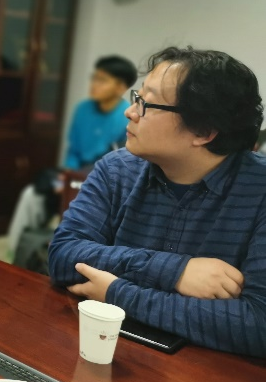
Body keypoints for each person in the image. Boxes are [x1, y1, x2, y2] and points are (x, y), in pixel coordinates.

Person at [49, 46, 266, 357]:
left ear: (203, 131)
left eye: (146, 103)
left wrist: (116, 293)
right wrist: (174, 271)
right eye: (137, 97)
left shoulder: (259, 190)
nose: (130, 112)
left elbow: (258, 324)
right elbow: (62, 255)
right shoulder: (117, 169)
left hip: (207, 377)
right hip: (105, 350)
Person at [7, 55, 138, 263]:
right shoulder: (83, 109)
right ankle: (19, 253)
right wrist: (66, 176)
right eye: (94, 78)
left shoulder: (126, 117)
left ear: (120, 87)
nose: (94, 84)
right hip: (73, 174)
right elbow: (73, 151)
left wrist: (78, 180)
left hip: (101, 181)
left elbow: (119, 163)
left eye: (102, 80)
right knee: (31, 194)